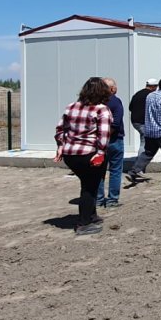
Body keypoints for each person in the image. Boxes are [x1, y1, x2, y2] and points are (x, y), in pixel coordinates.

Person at [53, 77, 113, 236]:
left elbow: (60, 129)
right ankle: (84, 223)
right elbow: (104, 134)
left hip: (71, 155)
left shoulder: (71, 107)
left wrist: (60, 146)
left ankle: (92, 215)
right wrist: (101, 153)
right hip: (90, 154)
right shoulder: (102, 110)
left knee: (87, 184)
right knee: (89, 188)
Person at [97, 77, 125, 208]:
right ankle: (112, 199)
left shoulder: (94, 102)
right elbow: (116, 123)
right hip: (114, 140)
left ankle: (98, 199)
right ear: (112, 89)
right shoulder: (115, 101)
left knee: (98, 172)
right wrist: (107, 135)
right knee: (115, 170)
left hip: (97, 143)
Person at [125, 78, 158, 184]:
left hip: (135, 122)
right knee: (145, 143)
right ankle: (138, 168)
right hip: (143, 122)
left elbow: (130, 108)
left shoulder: (137, 94)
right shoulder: (150, 96)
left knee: (144, 141)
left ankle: (138, 168)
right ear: (153, 87)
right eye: (156, 87)